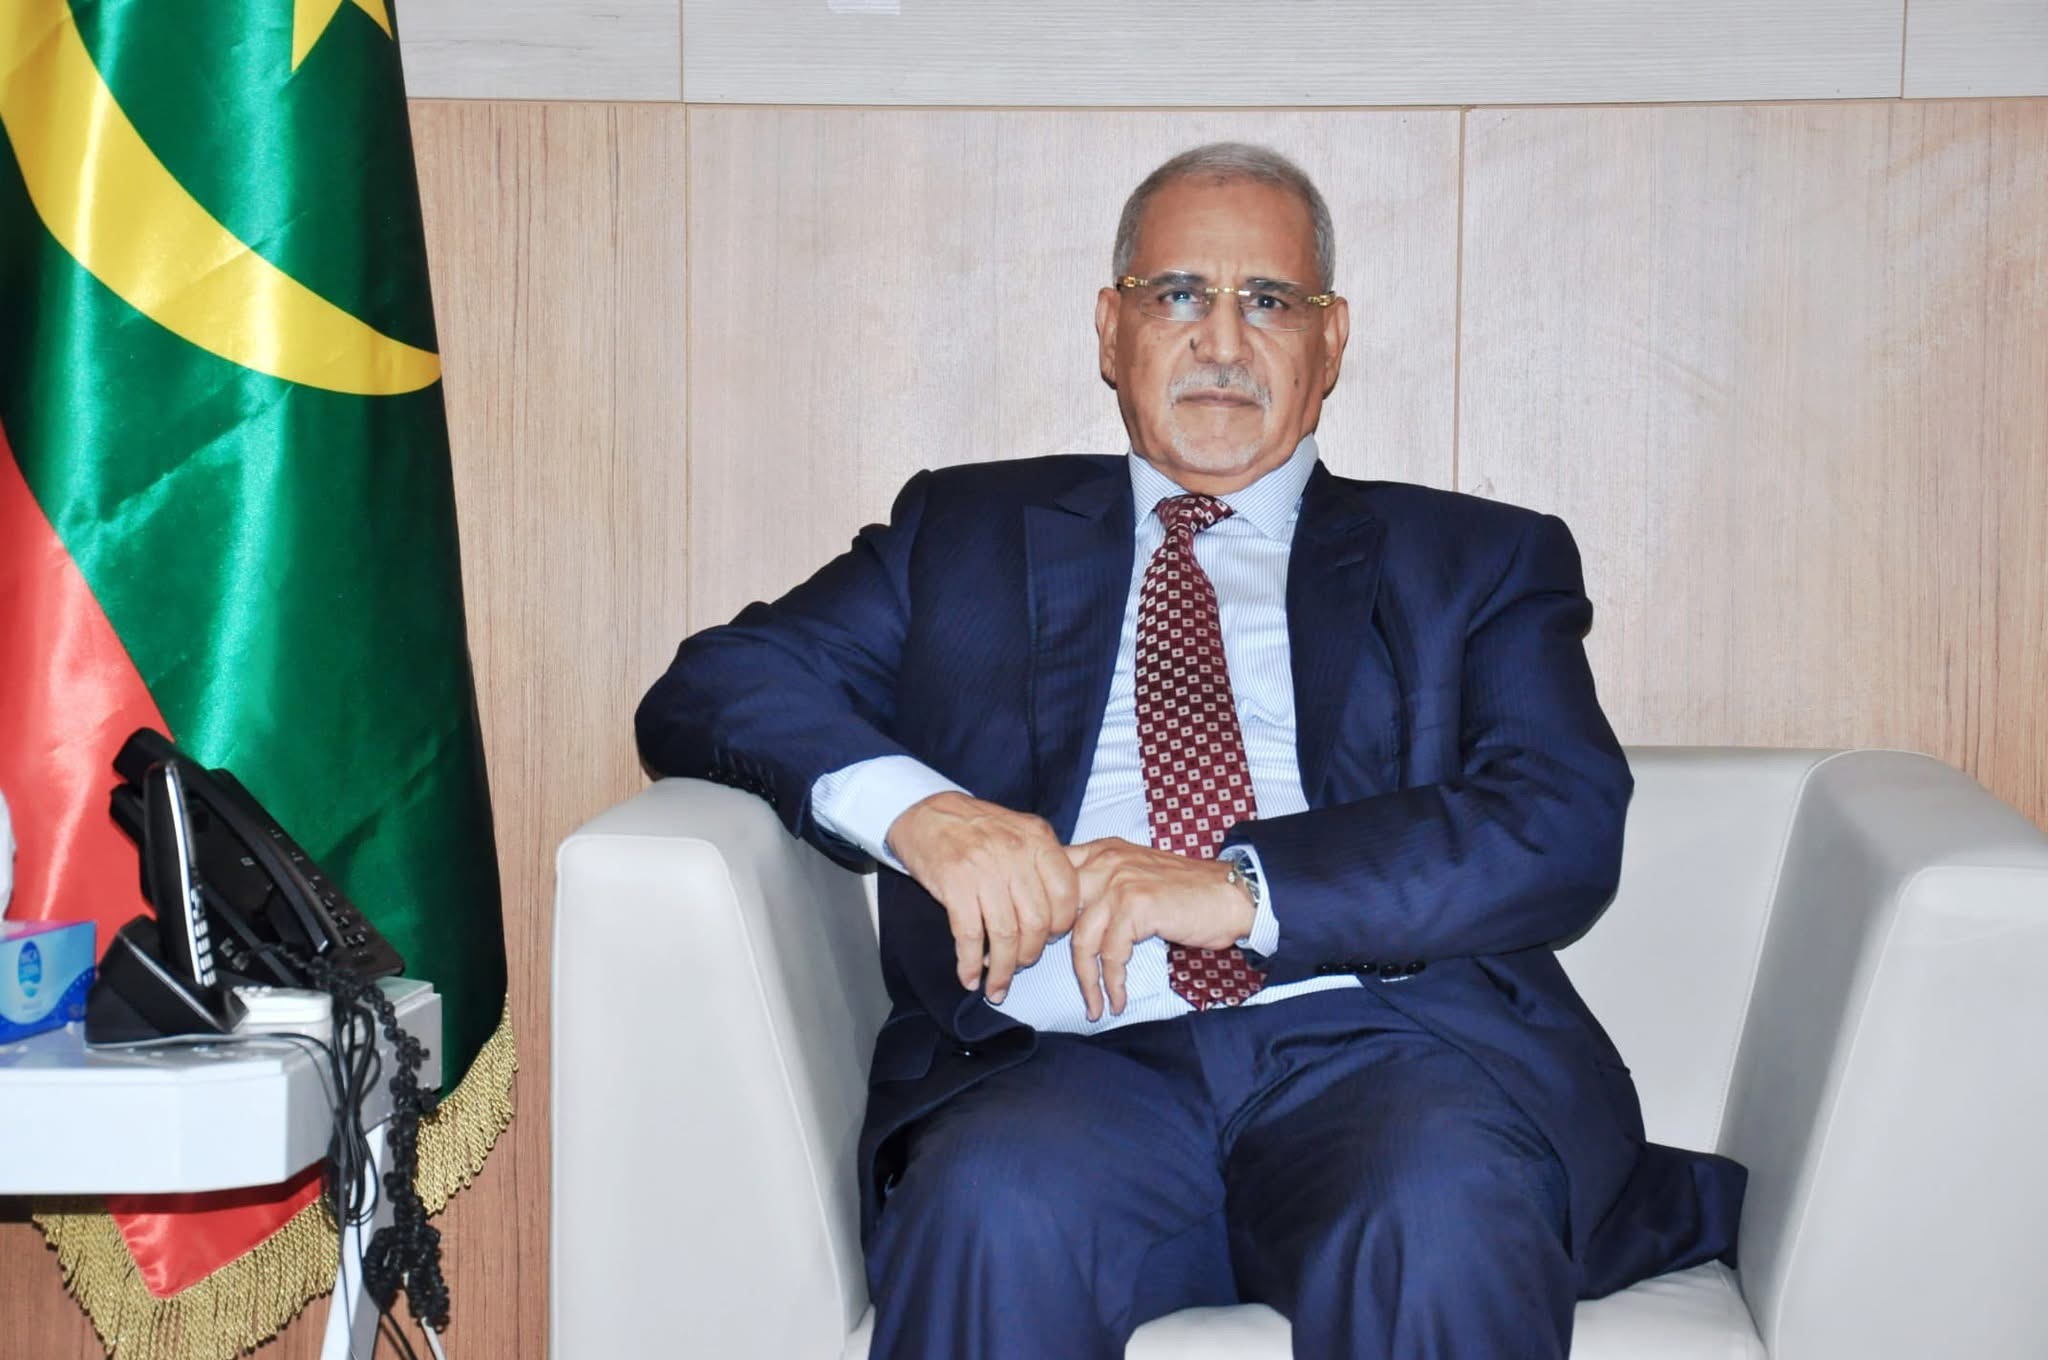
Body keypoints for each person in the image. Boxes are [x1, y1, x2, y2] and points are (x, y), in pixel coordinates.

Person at [637, 142, 1743, 1360]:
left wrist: (1241, 889)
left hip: (1387, 1057)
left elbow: (1556, 821)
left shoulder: (1472, 559)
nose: (1221, 340)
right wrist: (926, 813)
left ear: (1329, 341)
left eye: (1267, 300)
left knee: (1438, 1216)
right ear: (1110, 331)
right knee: (989, 1208)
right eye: (1176, 295)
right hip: (1062, 1066)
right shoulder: (964, 534)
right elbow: (717, 684)